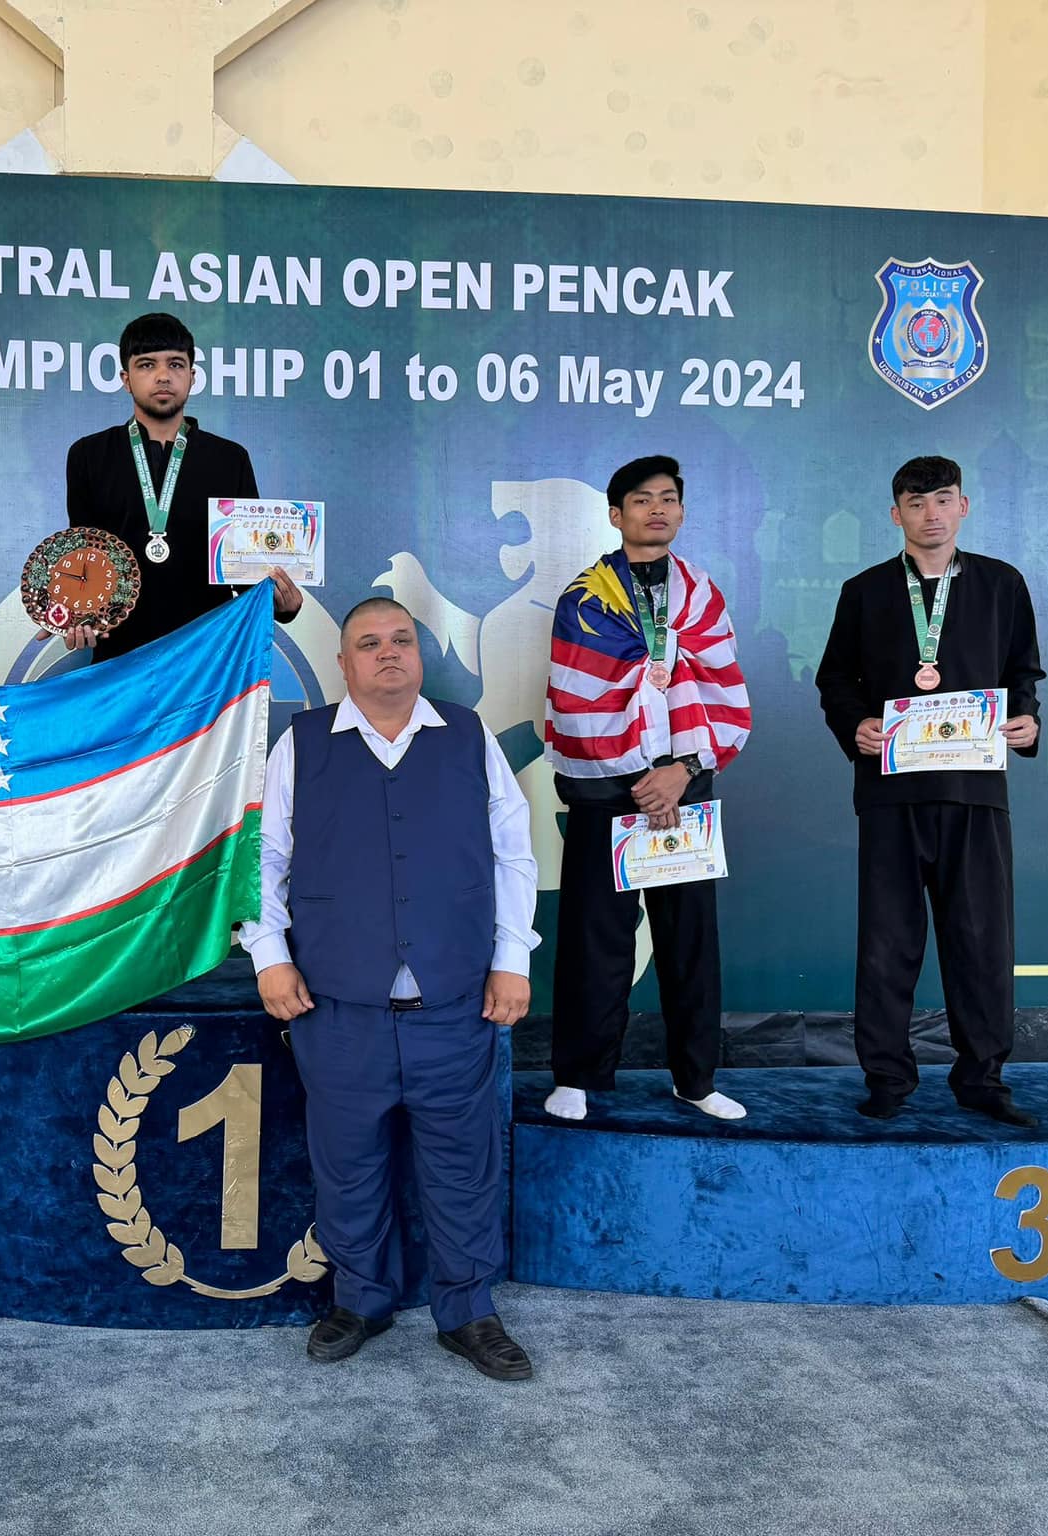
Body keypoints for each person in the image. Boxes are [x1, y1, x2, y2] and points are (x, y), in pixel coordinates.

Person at [242, 597, 540, 1381]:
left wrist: (515, 959)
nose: (388, 653)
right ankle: (361, 1299)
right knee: (348, 1163)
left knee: (462, 1164)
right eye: (367, 643)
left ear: (419, 655)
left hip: (454, 1002)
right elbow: (262, 860)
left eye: (401, 640)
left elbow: (514, 854)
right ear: (342, 665)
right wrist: (269, 956)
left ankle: (468, 1312)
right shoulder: (301, 744)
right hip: (338, 1008)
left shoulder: (468, 737)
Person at [816, 455, 1045, 1125]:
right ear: (896, 515)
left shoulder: (1003, 585)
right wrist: (854, 722)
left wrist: (1027, 724)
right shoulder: (864, 591)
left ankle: (983, 1079)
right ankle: (887, 1078)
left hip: (975, 791)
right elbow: (835, 680)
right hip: (892, 795)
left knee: (981, 941)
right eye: (916, 504)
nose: (931, 514)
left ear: (963, 506)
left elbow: (1022, 672)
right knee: (888, 941)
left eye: (943, 500)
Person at [541, 455, 752, 1124]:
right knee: (594, 940)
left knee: (691, 940)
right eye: (641, 500)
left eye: (668, 498)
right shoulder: (587, 596)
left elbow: (724, 688)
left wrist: (681, 771)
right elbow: (576, 700)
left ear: (682, 512)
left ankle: (696, 1078)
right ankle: (578, 1073)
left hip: (684, 784)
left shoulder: (702, 594)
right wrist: (640, 775)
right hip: (609, 791)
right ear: (616, 515)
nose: (656, 509)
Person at [62, 311, 301, 658]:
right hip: (121, 656)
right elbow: (85, 555)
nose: (162, 376)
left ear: (192, 376)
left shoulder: (229, 459)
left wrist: (282, 604)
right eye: (147, 365)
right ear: (126, 379)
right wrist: (73, 612)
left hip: (207, 657)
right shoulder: (89, 455)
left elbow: (245, 571)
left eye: (175, 364)